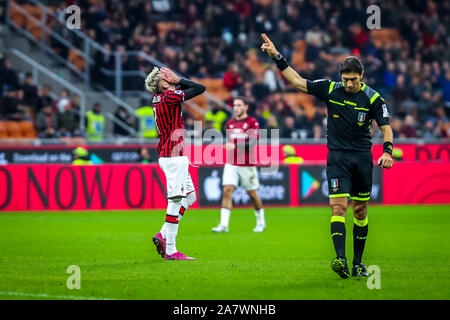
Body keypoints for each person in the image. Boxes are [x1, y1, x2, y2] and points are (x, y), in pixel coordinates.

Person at [261, 34, 394, 278]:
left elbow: (386, 128)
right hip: (337, 159)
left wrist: (387, 151)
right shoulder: (331, 89)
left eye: (353, 80)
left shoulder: (373, 98)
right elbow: (299, 82)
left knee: (360, 212)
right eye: (346, 80)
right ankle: (340, 260)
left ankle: (358, 263)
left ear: (361, 76)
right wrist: (277, 57)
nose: (349, 85)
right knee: (338, 209)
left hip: (362, 159)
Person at [145, 66, 205, 260]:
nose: (170, 79)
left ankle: (163, 234)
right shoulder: (169, 97)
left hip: (170, 154)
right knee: (176, 200)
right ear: (162, 84)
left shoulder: (158, 99)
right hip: (173, 156)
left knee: (191, 196)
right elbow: (199, 88)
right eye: (166, 77)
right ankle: (171, 250)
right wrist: (179, 79)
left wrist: (175, 81)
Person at [212, 97, 266, 233]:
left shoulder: (252, 123)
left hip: (247, 164)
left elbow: (253, 143)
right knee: (227, 191)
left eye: (239, 105)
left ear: (246, 107)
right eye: (234, 105)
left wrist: (234, 145)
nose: (236, 108)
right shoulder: (230, 123)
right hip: (231, 163)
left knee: (252, 194)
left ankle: (261, 221)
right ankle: (223, 225)